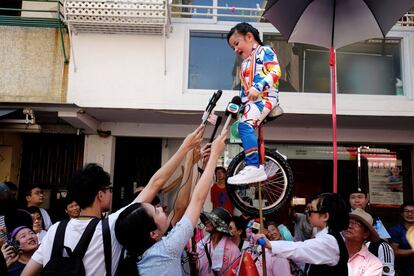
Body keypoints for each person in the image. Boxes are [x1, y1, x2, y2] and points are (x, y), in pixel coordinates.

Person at [22, 125, 204, 276]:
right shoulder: (111, 226)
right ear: (99, 195)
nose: (110, 193)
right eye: (108, 189)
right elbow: (154, 184)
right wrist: (184, 148)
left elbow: (28, 273)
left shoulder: (55, 230)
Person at [114, 131, 227, 276]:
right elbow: (197, 201)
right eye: (156, 211)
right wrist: (215, 155)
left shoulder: (137, 255)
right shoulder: (166, 250)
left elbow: (188, 203)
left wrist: (197, 163)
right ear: (153, 233)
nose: (161, 207)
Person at [226, 22, 281, 185]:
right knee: (239, 129)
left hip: (265, 98)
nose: (235, 49)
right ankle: (266, 161)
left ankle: (254, 167)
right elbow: (244, 91)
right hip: (253, 101)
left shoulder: (265, 51)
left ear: (249, 37)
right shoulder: (244, 64)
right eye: (233, 48)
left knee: (245, 126)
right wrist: (240, 105)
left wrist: (258, 86)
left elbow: (276, 71)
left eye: (236, 44)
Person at [254, 193, 350, 275]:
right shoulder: (323, 236)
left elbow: (300, 248)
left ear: (325, 216)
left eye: (311, 210)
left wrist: (270, 244)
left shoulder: (330, 241)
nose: (307, 213)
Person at [197, 207, 240, 275]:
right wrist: (193, 263)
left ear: (220, 226)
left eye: (211, 220)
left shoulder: (233, 250)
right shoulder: (201, 245)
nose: (206, 221)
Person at [343, 208, 383, 276]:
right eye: (348, 222)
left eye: (356, 223)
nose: (349, 226)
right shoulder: (331, 251)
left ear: (366, 234)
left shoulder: (373, 264)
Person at [388, 201, 414, 276]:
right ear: (402, 214)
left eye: (413, 211)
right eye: (406, 211)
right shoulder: (396, 230)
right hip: (404, 272)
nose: (409, 214)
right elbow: (395, 252)